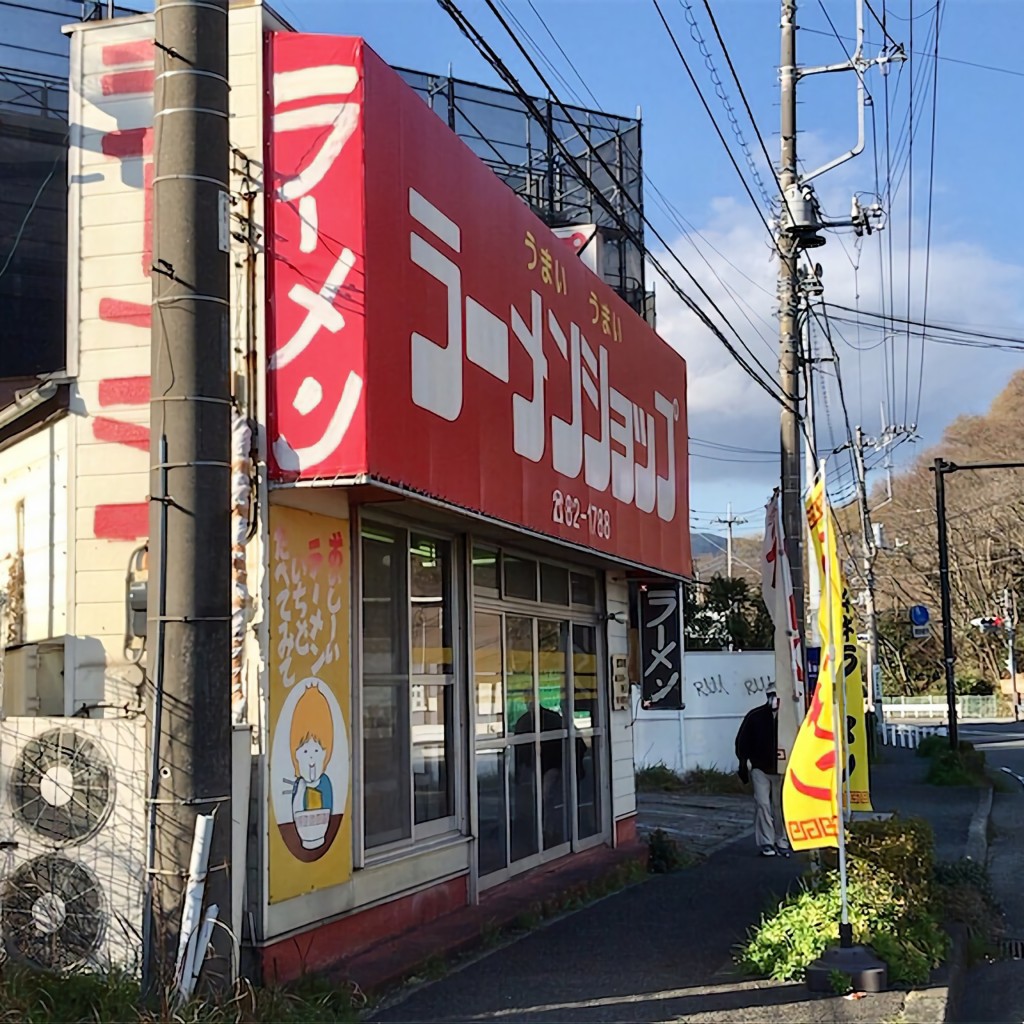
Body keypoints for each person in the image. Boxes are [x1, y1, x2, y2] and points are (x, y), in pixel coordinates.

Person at [735, 690, 791, 858]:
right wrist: (743, 764)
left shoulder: (789, 717)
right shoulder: (755, 716)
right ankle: (767, 841)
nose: (774, 699)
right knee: (763, 804)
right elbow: (742, 741)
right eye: (771, 695)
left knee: (780, 806)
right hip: (760, 767)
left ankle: (782, 841)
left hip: (783, 768)